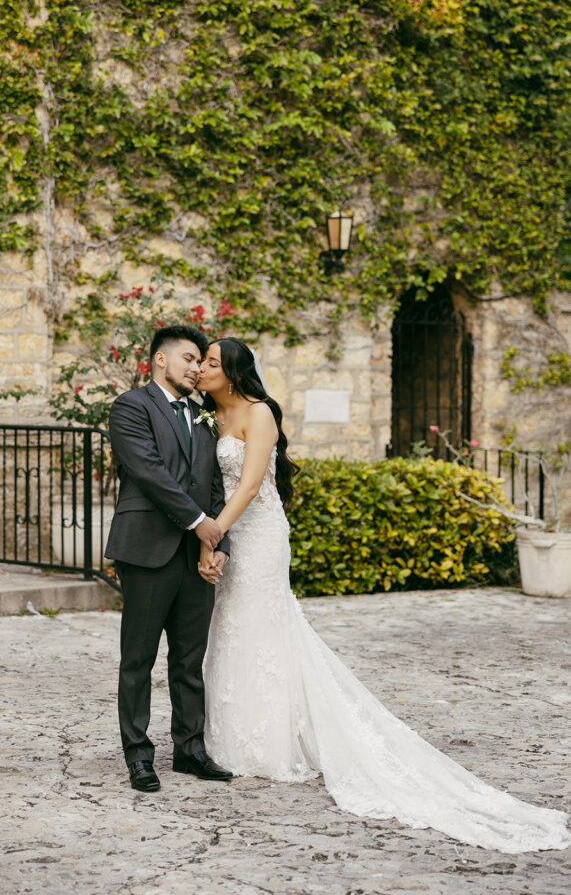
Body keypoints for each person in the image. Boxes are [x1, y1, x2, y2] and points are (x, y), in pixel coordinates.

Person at [195, 336, 570, 853]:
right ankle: (231, 736)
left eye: (212, 363)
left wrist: (212, 532)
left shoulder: (258, 413)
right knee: (233, 625)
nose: (203, 369)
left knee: (262, 627)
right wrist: (216, 538)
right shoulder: (209, 416)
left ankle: (273, 743)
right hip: (234, 534)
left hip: (259, 534)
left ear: (234, 372)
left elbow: (252, 483)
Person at [105, 325, 233, 792]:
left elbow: (217, 484)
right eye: (188, 358)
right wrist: (201, 522)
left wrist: (217, 543)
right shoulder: (131, 406)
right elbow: (150, 472)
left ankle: (190, 750)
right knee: (138, 658)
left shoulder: (203, 415)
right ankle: (139, 757)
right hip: (147, 549)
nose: (196, 367)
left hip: (195, 555)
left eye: (201, 360)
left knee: (188, 658)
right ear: (160, 360)